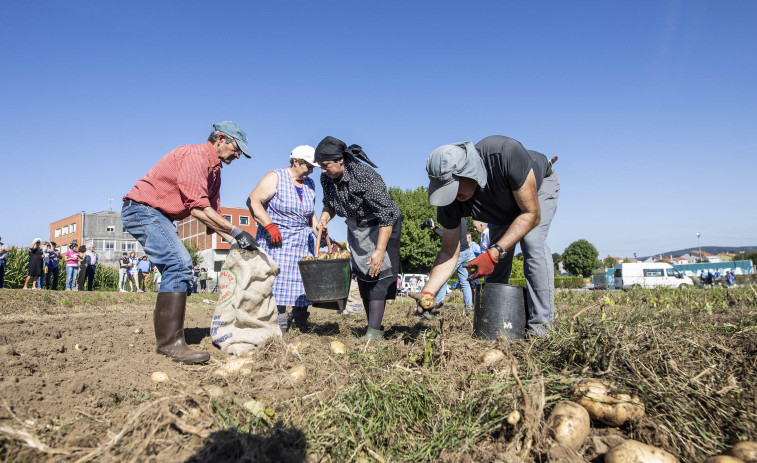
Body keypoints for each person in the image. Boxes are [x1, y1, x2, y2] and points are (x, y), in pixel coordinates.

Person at [121, 121, 257, 364]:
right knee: (179, 263)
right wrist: (237, 231)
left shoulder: (215, 172)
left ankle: (167, 337)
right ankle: (170, 344)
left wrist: (235, 242)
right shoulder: (195, 156)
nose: (238, 155)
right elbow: (198, 208)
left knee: (177, 266)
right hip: (142, 210)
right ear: (220, 139)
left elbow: (211, 217)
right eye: (236, 149)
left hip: (159, 216)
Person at [421, 136, 560, 337]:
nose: (450, 196)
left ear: (468, 172)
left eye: (452, 187)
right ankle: (494, 325)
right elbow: (449, 251)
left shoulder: (503, 153)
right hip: (500, 210)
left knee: (532, 242)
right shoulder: (450, 202)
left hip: (536, 191)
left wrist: (494, 252)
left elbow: (531, 214)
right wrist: (428, 292)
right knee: (497, 264)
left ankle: (541, 329)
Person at [315, 136, 402, 341]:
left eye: (325, 165)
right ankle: (371, 329)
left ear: (340, 160)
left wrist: (379, 251)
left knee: (377, 273)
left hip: (381, 225)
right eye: (320, 166)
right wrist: (324, 218)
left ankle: (374, 333)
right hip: (356, 226)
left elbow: (386, 215)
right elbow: (330, 204)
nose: (322, 170)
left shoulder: (364, 175)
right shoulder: (327, 178)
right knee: (363, 275)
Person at [247, 145, 319, 333]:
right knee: (276, 282)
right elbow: (254, 200)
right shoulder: (275, 177)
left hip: (302, 241)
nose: (311, 170)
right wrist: (269, 226)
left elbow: (310, 213)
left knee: (304, 280)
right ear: (296, 161)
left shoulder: (310, 184)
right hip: (277, 241)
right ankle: (277, 322)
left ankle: (301, 319)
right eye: (308, 166)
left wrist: (319, 229)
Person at [423, 218, 475, 311]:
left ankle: (436, 308)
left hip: (457, 253)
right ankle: (468, 307)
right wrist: (435, 228)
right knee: (465, 282)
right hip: (466, 251)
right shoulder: (462, 218)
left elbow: (446, 236)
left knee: (443, 280)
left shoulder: (452, 218)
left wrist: (435, 228)